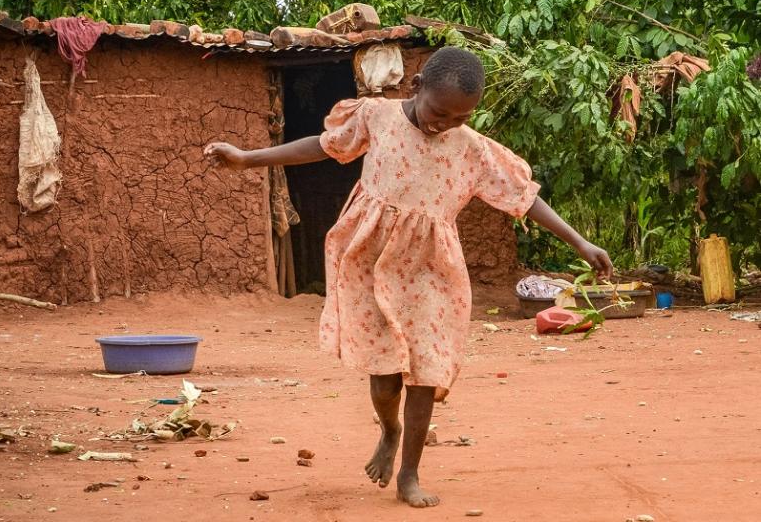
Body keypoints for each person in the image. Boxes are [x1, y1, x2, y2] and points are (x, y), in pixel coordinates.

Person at [204, 46, 613, 508]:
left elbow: (524, 197)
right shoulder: (377, 116)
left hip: (432, 273)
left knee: (425, 372)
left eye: (461, 117)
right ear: (416, 87)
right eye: (440, 112)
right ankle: (390, 429)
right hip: (372, 261)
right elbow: (321, 147)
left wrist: (580, 242)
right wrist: (247, 158)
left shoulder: (471, 148)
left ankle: (410, 473)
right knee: (385, 381)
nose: (446, 125)